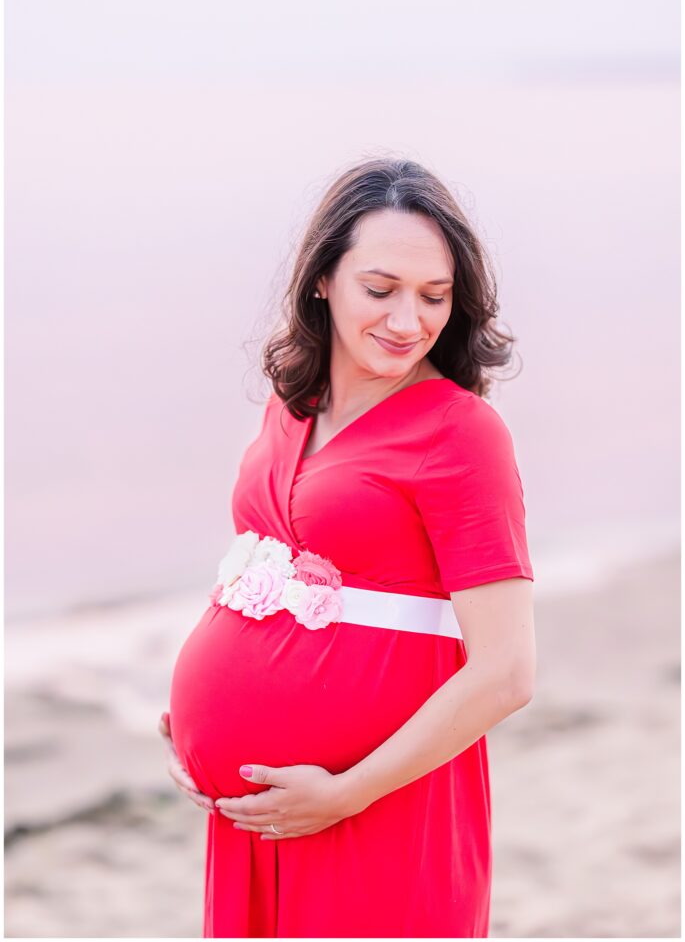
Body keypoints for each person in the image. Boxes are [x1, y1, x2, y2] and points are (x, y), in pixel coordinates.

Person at [160, 157, 536, 938]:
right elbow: (271, 577)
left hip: (376, 805)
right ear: (322, 279)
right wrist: (197, 727)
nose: (408, 321)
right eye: (380, 289)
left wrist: (347, 792)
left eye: (434, 297)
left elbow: (505, 672)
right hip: (254, 816)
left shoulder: (460, 434)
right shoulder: (291, 407)